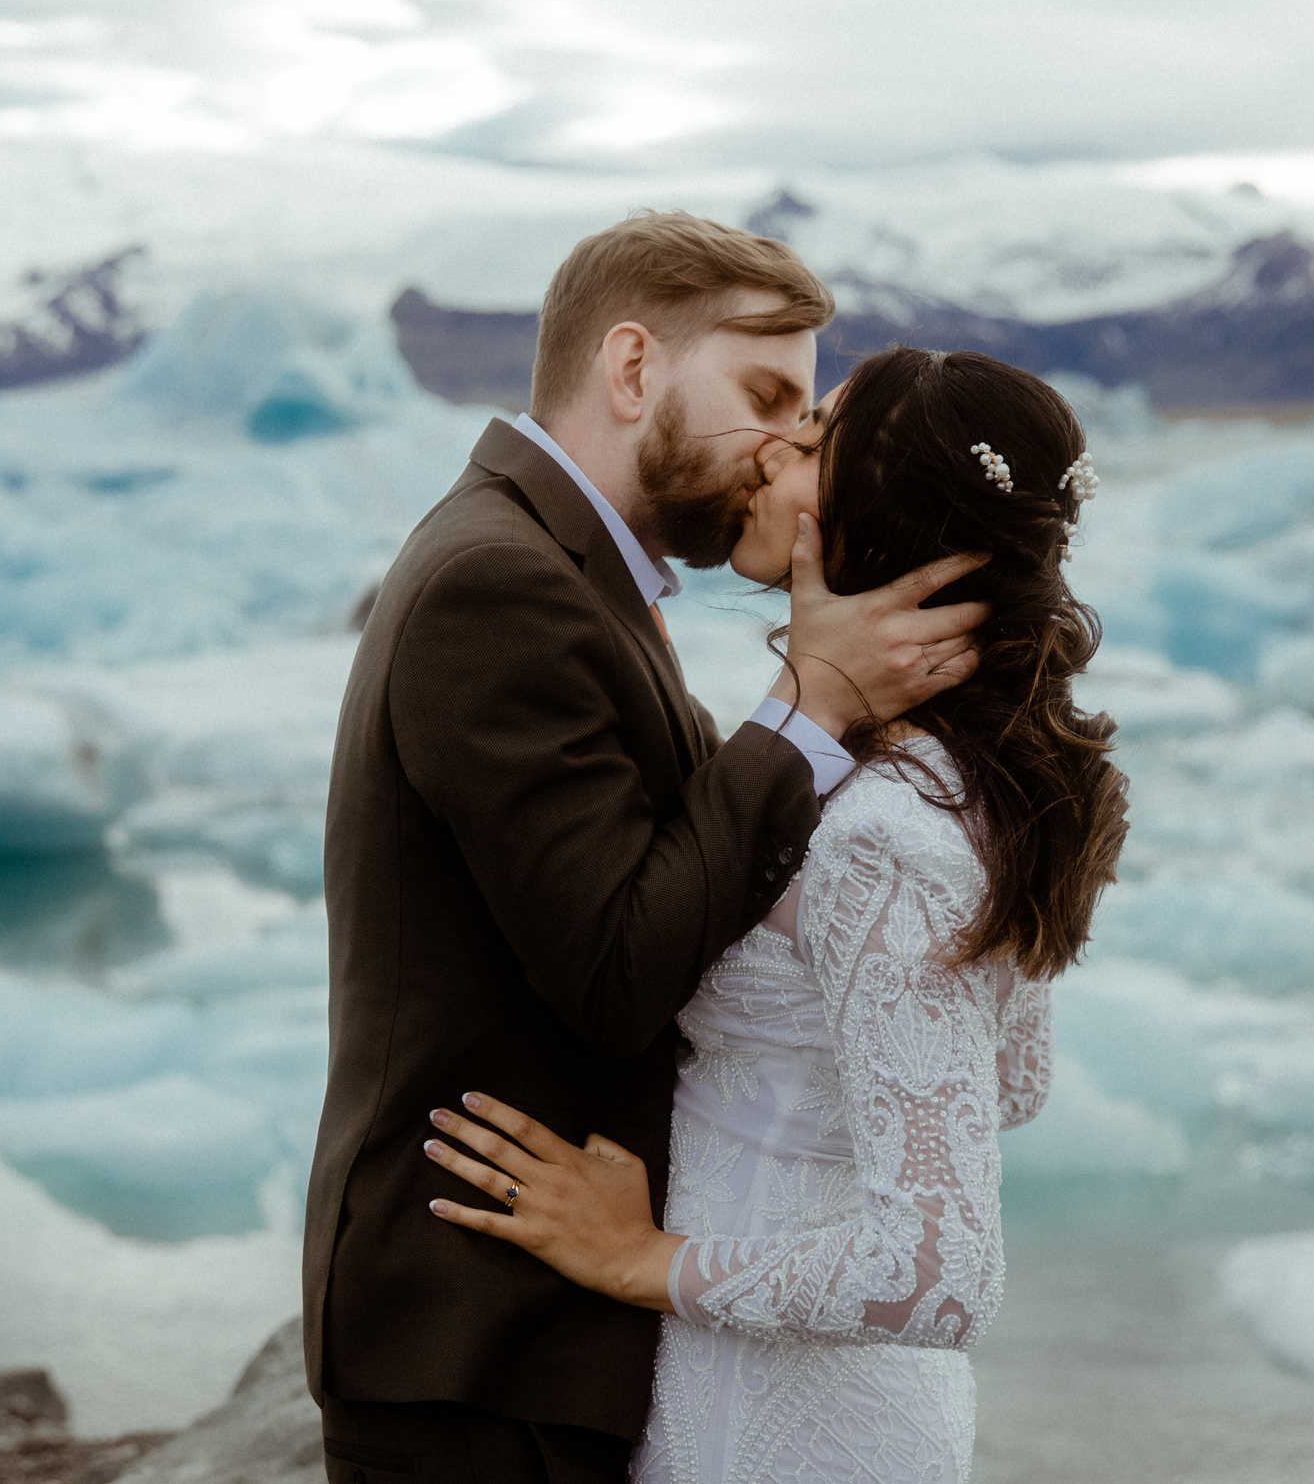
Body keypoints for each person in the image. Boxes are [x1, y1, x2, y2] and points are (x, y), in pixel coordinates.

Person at [307, 215, 995, 1484]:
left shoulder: (567, 571)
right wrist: (810, 705)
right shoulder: (499, 582)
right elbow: (618, 970)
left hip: (528, 1329)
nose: (784, 445)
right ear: (632, 369)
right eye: (765, 397)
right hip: (478, 1332)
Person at [424, 346, 1129, 1482]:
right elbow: (1009, 1080)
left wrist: (640, 1257)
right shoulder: (945, 783)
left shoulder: (887, 833)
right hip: (774, 1388)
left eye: (814, 441)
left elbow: (937, 1275)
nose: (770, 450)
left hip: (791, 1422)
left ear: (887, 518)